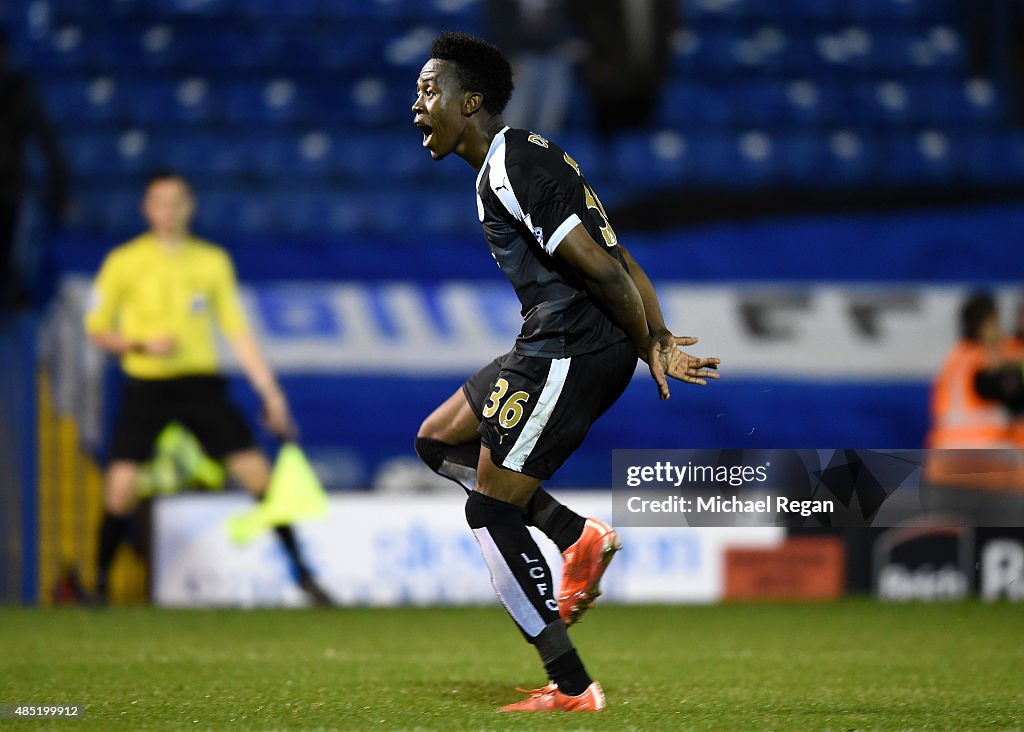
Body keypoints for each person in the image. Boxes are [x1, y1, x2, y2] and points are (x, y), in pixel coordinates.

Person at [410, 32, 719, 712]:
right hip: (551, 342)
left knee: (489, 506)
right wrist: (656, 334)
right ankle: (575, 535)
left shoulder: (509, 168)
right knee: (438, 439)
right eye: (417, 92)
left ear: (471, 102)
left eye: (430, 91)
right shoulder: (528, 154)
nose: (417, 106)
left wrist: (650, 345)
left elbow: (605, 269)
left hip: (571, 348)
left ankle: (573, 686)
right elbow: (620, 253)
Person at [83, 171, 332, 606]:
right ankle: (99, 585)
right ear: (147, 209)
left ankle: (304, 577)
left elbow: (237, 332)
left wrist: (270, 392)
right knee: (120, 487)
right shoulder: (124, 261)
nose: (169, 209)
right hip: (146, 384)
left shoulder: (211, 261)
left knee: (259, 475)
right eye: (160, 201)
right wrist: (140, 342)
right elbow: (97, 330)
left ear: (189, 206)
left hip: (199, 385)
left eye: (177, 200)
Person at [0, 24, 72, 308]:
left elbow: (48, 139)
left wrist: (62, 186)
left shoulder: (19, 88)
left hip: (9, 191)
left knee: (11, 265)